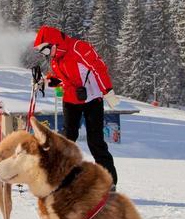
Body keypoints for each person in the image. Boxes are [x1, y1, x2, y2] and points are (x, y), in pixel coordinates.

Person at [33, 25, 120, 187]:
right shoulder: (56, 59)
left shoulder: (79, 47)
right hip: (71, 100)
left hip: (92, 100)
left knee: (95, 142)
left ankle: (109, 182)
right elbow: (61, 80)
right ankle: (61, 178)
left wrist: (107, 91)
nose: (45, 55)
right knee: (66, 141)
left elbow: (98, 67)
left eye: (45, 50)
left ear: (54, 43)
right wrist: (44, 82)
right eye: (42, 53)